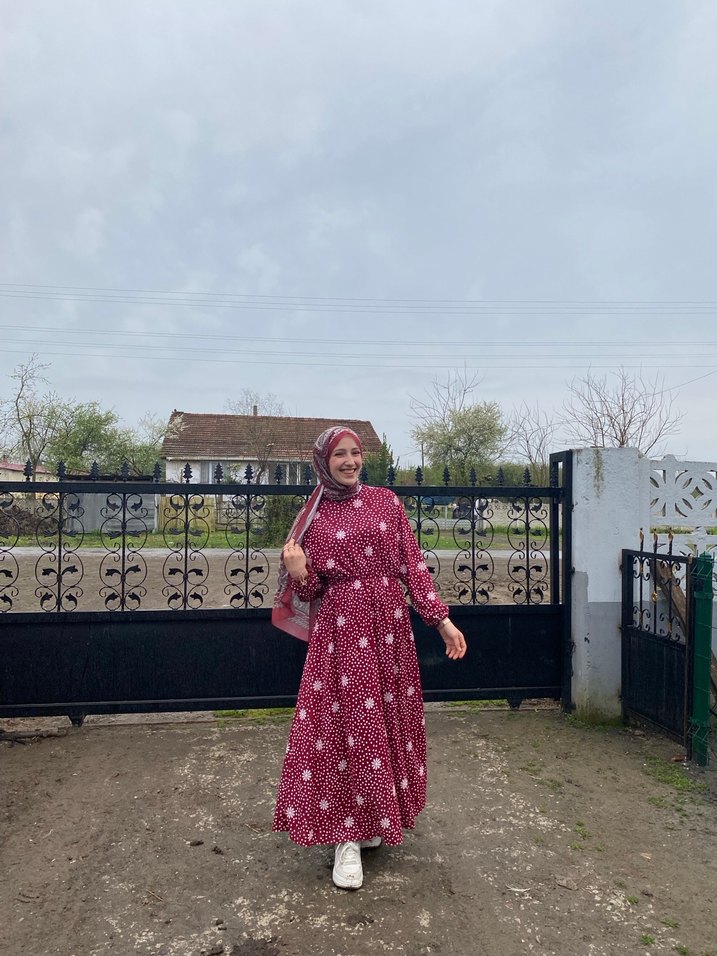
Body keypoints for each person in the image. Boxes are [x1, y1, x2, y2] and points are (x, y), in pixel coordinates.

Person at [271, 425, 467, 890]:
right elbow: (311, 591)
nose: (350, 461)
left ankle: (376, 814)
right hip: (342, 632)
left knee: (385, 723)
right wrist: (299, 572)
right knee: (347, 729)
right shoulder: (312, 517)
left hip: (390, 631)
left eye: (355, 452)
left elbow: (412, 566)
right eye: (339, 454)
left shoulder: (386, 502)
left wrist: (441, 621)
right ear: (323, 462)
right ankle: (345, 837)